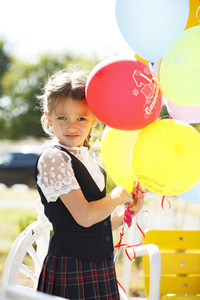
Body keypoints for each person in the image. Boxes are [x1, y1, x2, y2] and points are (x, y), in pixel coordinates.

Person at [35, 68, 145, 300]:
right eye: (62, 117)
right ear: (49, 118)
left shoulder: (85, 157)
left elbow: (95, 224)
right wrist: (116, 197)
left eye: (81, 118)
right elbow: (84, 216)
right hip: (72, 265)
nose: (71, 126)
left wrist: (128, 214)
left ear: (93, 119)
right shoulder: (54, 158)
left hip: (99, 265)